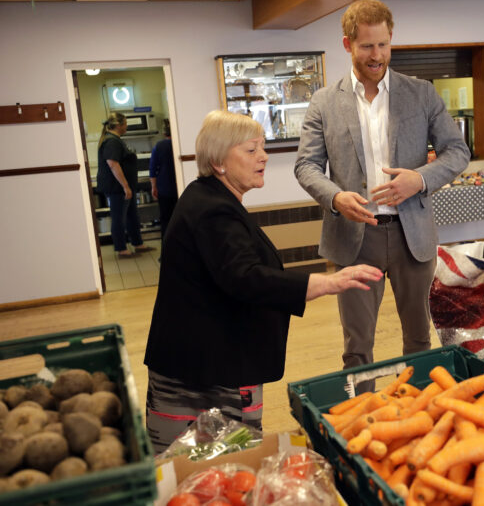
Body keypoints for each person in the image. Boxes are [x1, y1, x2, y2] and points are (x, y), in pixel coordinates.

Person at [143, 110, 382, 453]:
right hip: (206, 373)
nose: (264, 156)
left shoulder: (209, 198)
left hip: (199, 362)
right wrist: (328, 282)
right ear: (219, 162)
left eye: (263, 147)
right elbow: (246, 278)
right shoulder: (213, 210)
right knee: (208, 467)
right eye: (251, 149)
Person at [294, 0, 470, 393]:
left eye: (384, 45)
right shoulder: (324, 102)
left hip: (413, 236)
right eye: (367, 47)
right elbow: (306, 167)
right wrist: (336, 198)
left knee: (419, 341)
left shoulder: (420, 93)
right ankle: (364, 417)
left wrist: (419, 180)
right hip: (355, 238)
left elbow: (457, 152)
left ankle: (420, 413)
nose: (377, 56)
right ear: (347, 44)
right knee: (357, 347)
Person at [96, 112, 156, 258]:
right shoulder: (112, 142)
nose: (126, 127)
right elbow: (113, 164)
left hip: (123, 187)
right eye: (125, 124)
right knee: (119, 217)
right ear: (118, 125)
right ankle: (121, 249)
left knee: (132, 216)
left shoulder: (116, 140)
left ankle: (138, 243)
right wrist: (125, 186)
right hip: (117, 188)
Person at [149, 119, 178, 243]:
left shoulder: (159, 146)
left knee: (166, 220)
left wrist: (153, 187)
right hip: (180, 189)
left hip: (164, 189)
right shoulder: (180, 144)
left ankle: (166, 254)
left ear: (164, 132)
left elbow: (152, 169)